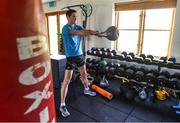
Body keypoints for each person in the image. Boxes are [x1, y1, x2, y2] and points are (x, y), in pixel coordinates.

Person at [60, 9, 98, 118]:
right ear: (67, 17)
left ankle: (86, 89)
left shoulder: (77, 26)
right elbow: (79, 33)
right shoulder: (65, 28)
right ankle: (62, 104)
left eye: (76, 17)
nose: (75, 19)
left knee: (84, 74)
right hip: (71, 57)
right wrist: (91, 32)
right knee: (67, 80)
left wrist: (96, 33)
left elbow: (85, 30)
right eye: (73, 16)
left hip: (79, 55)